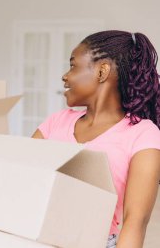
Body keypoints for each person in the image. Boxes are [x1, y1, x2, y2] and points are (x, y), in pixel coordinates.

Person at [32, 30, 160, 248]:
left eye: (73, 66)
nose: (65, 76)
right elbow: (22, 181)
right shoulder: (55, 123)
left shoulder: (143, 135)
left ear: (102, 71)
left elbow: (135, 221)